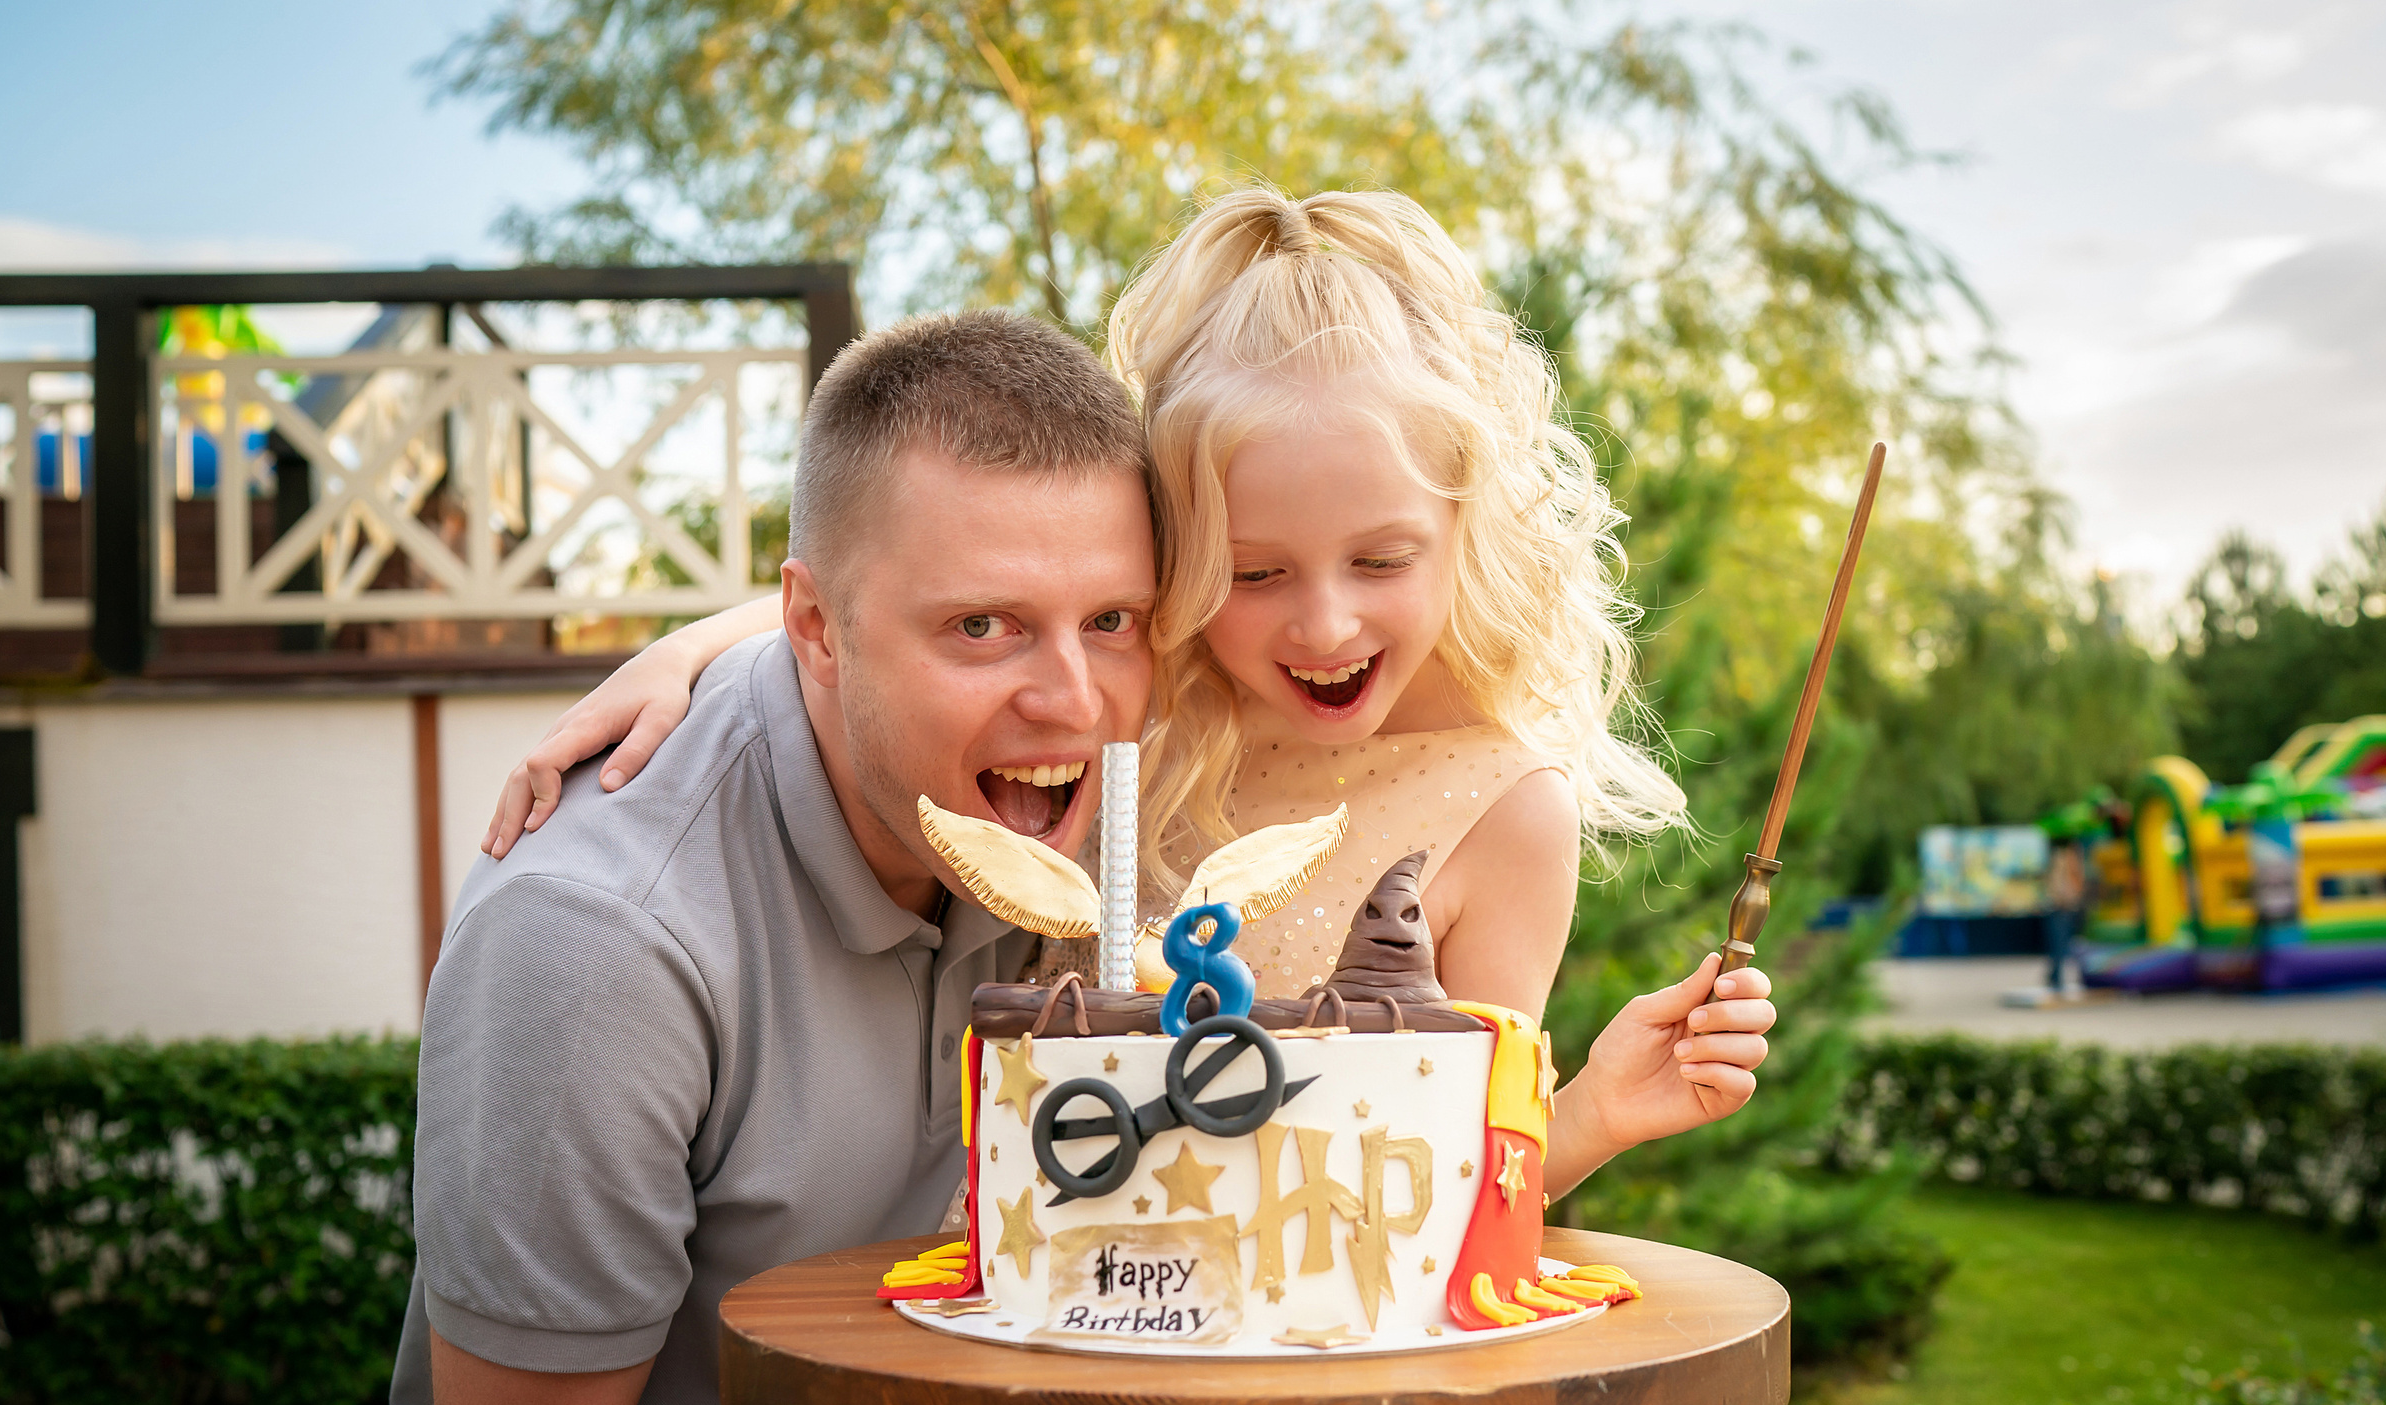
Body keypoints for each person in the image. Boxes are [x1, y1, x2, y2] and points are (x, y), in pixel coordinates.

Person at [490, 188, 1779, 1203]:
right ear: (1177, 562)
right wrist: (699, 645)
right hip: (1023, 1312)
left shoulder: (1502, 812)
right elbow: (927, 586)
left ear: (1465, 532)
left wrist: (1592, 1114)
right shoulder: (1140, 708)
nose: (1324, 625)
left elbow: (1453, 1179)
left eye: (1381, 561)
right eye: (1255, 572)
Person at [391, 310, 1207, 1405]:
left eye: (1111, 621)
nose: (1074, 701)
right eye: (982, 626)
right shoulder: (597, 941)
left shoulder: (1085, 842)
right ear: (817, 627)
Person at [2042, 834, 2088, 995]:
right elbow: (2059, 884)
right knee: (2060, 944)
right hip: (2062, 907)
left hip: (2069, 906)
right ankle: (2056, 977)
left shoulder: (2071, 859)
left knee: (2067, 944)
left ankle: (2057, 976)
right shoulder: (2062, 859)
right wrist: (2062, 900)